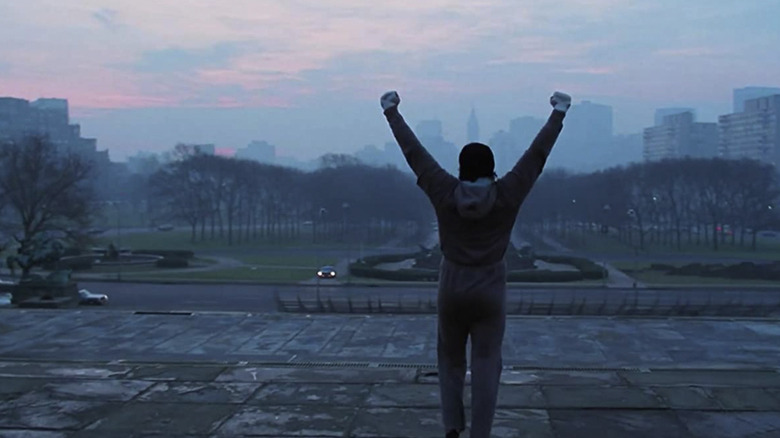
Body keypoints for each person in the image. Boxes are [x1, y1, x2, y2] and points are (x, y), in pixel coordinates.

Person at [380, 90, 571, 438]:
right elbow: (536, 156)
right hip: (491, 288)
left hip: (452, 286)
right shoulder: (508, 193)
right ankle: (480, 433)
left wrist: (391, 112)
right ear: (492, 167)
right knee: (486, 364)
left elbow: (415, 154)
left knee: (450, 360)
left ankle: (452, 426)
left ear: (461, 168)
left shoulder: (444, 190)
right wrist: (558, 112)